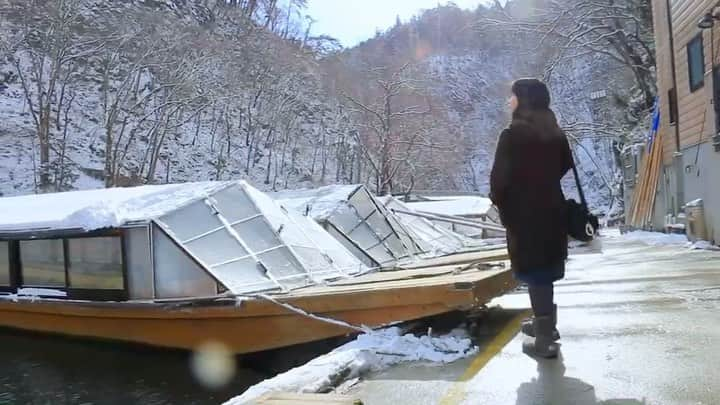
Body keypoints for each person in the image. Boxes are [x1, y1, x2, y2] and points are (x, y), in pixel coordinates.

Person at [489, 78, 573, 359]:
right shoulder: (556, 133)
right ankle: (545, 325)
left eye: (512, 96)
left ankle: (545, 339)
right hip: (552, 210)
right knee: (545, 271)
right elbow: (564, 166)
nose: (509, 101)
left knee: (536, 273)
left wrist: (505, 202)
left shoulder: (512, 136)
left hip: (525, 215)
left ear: (523, 100)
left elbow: (498, 183)